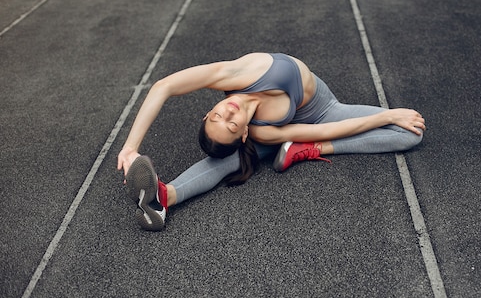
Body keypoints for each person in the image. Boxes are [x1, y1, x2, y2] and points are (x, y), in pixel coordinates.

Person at [117, 52, 426, 231]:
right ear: (244, 133)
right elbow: (324, 131)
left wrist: (130, 146)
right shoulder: (261, 132)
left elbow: (164, 86)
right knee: (226, 161)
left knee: (409, 133)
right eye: (232, 124)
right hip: (296, 131)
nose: (227, 113)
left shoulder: (234, 74)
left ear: (207, 112)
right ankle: (163, 198)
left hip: (324, 110)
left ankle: (304, 152)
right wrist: (387, 116)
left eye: (216, 116)